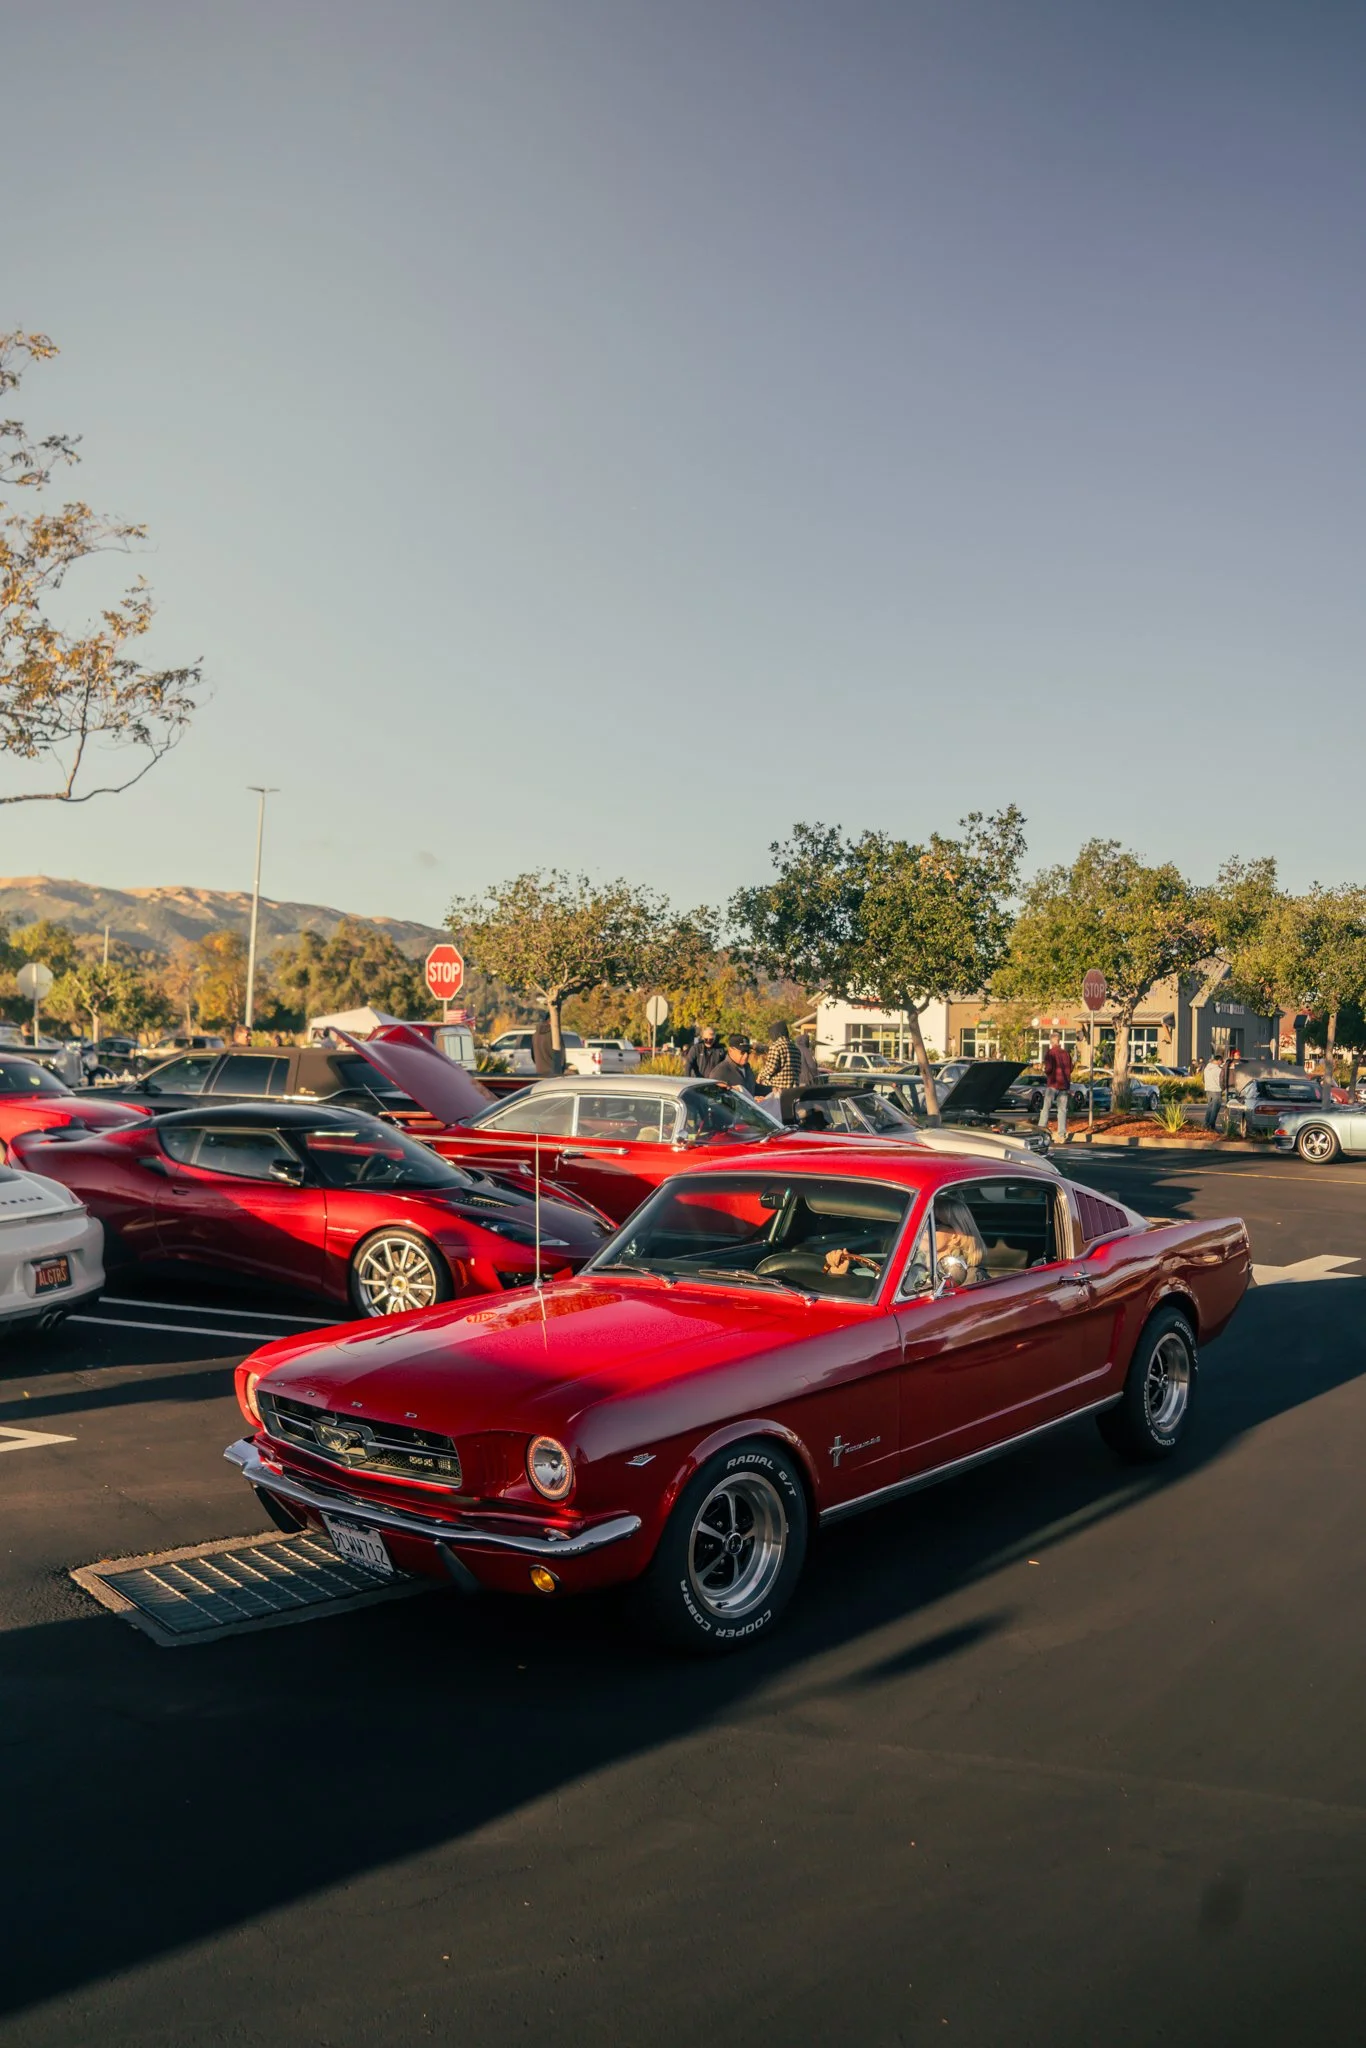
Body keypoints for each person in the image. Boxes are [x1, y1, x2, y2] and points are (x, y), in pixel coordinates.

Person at [1039, 1031, 1072, 1143]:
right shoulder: (1066, 1054)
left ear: (1051, 1041)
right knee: (1062, 1110)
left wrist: (1044, 1070)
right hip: (1064, 1085)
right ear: (1059, 1041)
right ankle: (1061, 1135)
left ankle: (1041, 1130)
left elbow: (1049, 1069)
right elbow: (1070, 1069)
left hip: (1053, 1084)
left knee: (1046, 1109)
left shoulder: (1050, 1053)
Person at [756, 1022, 800, 1095]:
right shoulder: (795, 1048)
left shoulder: (776, 1046)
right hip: (792, 1089)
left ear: (776, 1033)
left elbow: (770, 1068)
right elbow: (798, 1070)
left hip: (777, 1089)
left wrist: (760, 1076)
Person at [1202, 1051, 1223, 1130]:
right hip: (1216, 1090)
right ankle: (1211, 1125)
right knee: (1215, 1108)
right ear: (1218, 1060)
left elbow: (1203, 1079)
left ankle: (1206, 1124)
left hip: (1208, 1090)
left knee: (1210, 1108)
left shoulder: (1206, 1068)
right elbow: (1221, 1080)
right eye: (1221, 1062)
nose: (1221, 1063)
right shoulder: (1218, 1070)